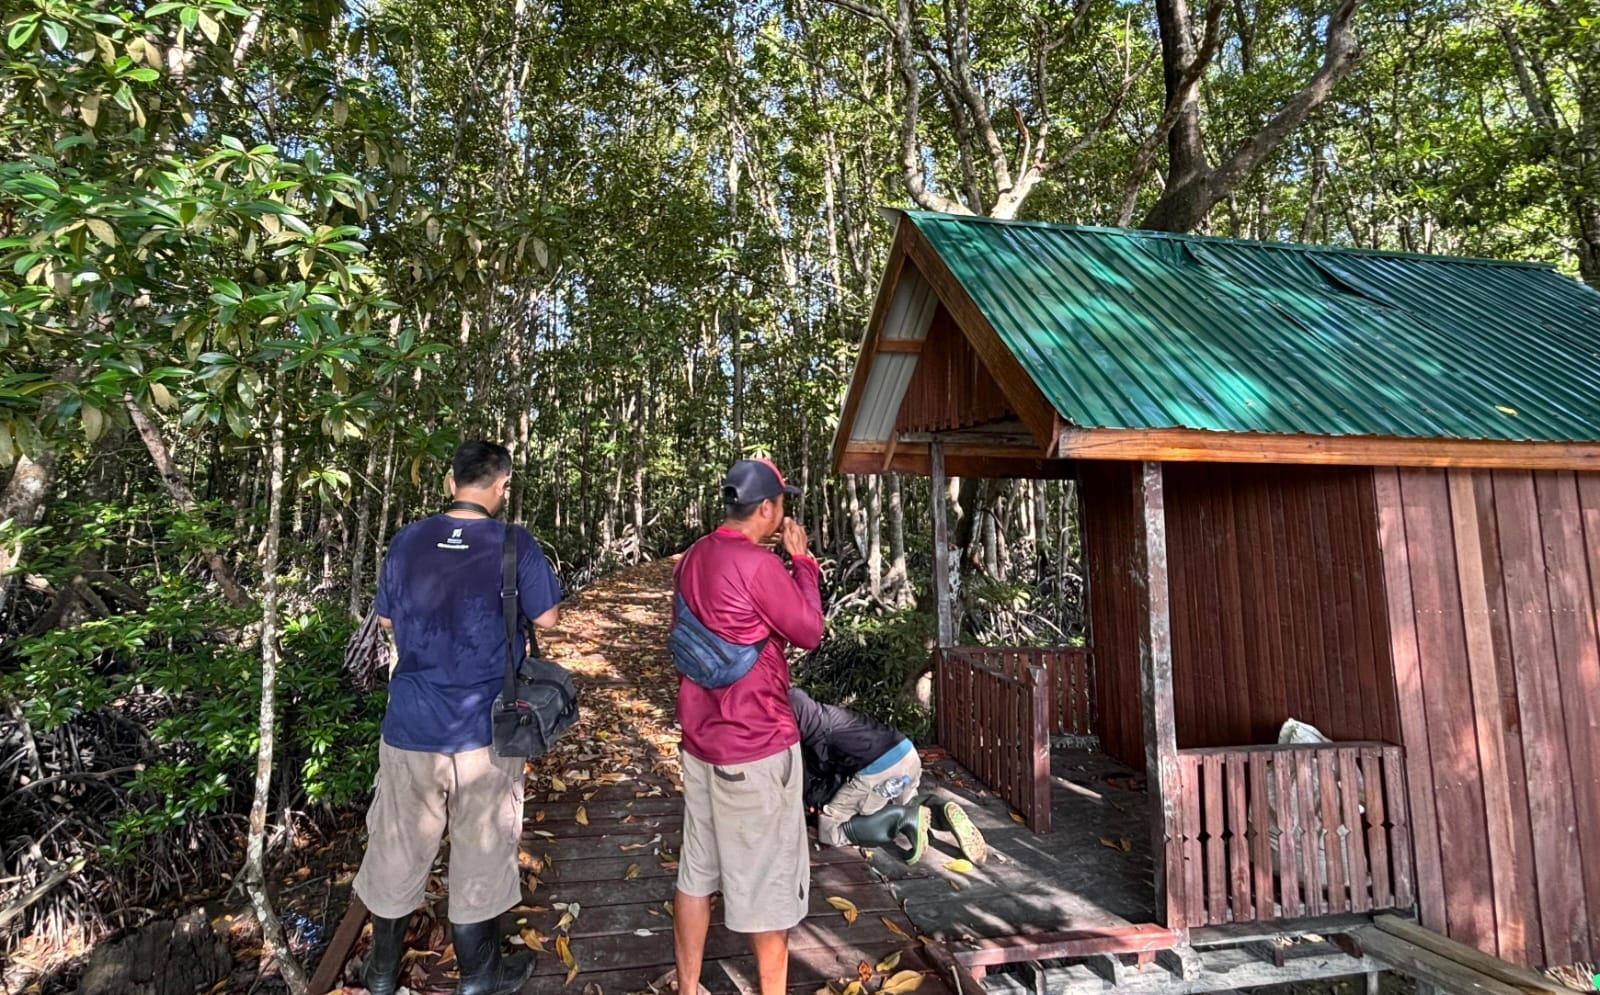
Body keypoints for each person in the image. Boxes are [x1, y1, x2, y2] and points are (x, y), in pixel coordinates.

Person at [352, 441, 562, 995]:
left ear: (450, 483)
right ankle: (479, 976)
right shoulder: (514, 543)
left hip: (411, 724)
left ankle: (380, 973)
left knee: (396, 848)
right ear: (502, 486)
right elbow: (548, 617)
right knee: (482, 851)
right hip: (485, 730)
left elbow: (387, 621)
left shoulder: (407, 540)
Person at [671, 459, 824, 995]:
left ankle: (688, 987)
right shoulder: (760, 565)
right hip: (756, 746)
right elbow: (808, 631)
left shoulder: (693, 557)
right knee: (769, 887)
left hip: (700, 743)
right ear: (767, 509)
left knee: (696, 873)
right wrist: (802, 563)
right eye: (781, 503)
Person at [789, 688, 986, 866]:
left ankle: (903, 818)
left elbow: (818, 775)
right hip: (908, 755)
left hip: (881, 770)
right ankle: (939, 809)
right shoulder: (830, 714)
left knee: (831, 827)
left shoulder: (814, 734)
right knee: (904, 802)